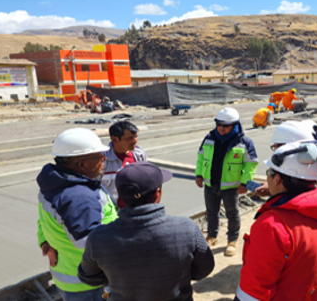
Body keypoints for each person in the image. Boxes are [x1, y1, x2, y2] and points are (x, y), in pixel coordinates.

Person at [235, 142, 317, 301]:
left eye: (270, 172)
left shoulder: (272, 226)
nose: (267, 177)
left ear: (277, 179)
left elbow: (253, 291)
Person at [78, 162, 215, 301]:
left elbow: (88, 276)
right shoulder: (187, 229)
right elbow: (205, 267)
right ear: (157, 193)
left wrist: (116, 279)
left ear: (121, 195)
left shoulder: (98, 238)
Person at [36, 128, 119, 301]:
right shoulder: (78, 198)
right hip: (89, 285)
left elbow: (43, 219)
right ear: (81, 164)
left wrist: (44, 242)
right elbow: (94, 248)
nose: (104, 159)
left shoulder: (54, 183)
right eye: (99, 156)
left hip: (68, 276)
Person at [195, 108, 258, 256]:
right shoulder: (209, 138)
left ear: (235, 125)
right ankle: (212, 236)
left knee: (232, 213)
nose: (221, 128)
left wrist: (245, 183)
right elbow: (201, 157)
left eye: (225, 125)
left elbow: (251, 164)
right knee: (211, 212)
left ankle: (232, 240)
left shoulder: (244, 142)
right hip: (211, 184)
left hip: (231, 187)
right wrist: (198, 175)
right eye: (219, 124)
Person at [254, 121, 317, 197]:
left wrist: (275, 188)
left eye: (275, 146)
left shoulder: (304, 173)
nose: (274, 151)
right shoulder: (311, 169)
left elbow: (295, 199)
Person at [100, 121, 147, 204]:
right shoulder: (102, 160)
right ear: (114, 139)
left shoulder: (139, 154)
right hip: (112, 213)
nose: (134, 141)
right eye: (130, 138)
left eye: (135, 137)